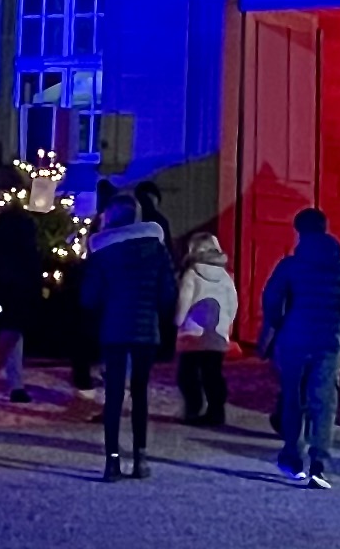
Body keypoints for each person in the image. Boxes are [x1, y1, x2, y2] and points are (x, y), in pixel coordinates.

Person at [256, 207, 340, 488]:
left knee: (293, 398)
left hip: (294, 338)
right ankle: (319, 464)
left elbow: (271, 299)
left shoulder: (290, 265)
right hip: (329, 341)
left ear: (299, 231)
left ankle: (292, 457)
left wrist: (278, 324)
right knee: (324, 402)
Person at [78, 199, 175, 481]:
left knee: (114, 395)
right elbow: (168, 293)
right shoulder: (156, 249)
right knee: (140, 393)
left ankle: (112, 461)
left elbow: (89, 297)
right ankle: (140, 458)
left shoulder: (103, 252)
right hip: (146, 329)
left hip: (114, 328)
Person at [0, 180, 44, 403]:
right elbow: (33, 267)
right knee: (12, 338)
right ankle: (12, 384)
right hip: (18, 293)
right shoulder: (26, 238)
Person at [172, 230, 238, 427]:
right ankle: (216, 411)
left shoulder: (191, 274)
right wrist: (226, 324)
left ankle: (193, 408)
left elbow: (184, 300)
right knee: (213, 374)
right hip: (216, 334)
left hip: (192, 334)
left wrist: (178, 321)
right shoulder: (225, 276)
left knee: (188, 374)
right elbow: (233, 303)